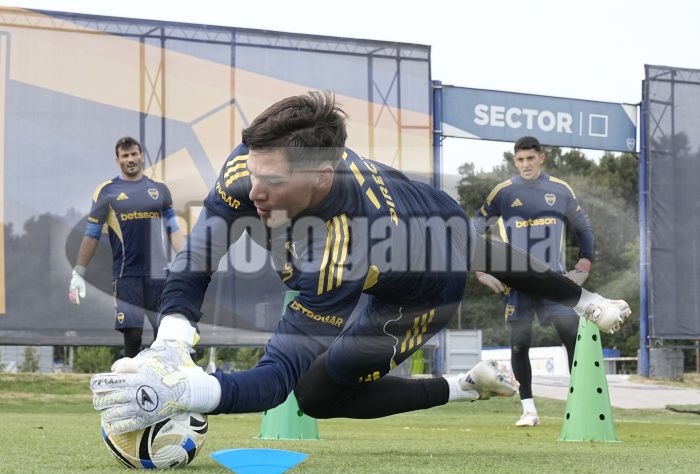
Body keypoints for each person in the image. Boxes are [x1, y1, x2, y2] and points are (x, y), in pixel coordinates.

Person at [90, 91, 630, 435]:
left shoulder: (345, 247)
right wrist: (170, 344)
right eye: (253, 172)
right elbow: (197, 257)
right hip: (424, 213)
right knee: (471, 242)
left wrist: (189, 392)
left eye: (271, 181)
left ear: (322, 176)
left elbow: (275, 378)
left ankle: (466, 385)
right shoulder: (251, 167)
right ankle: (577, 308)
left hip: (421, 290)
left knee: (316, 394)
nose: (253, 192)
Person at [473, 135, 594, 428]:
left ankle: (583, 406)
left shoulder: (560, 189)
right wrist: (481, 271)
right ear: (515, 161)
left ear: (541, 157)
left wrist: (583, 264)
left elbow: (584, 228)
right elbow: (473, 230)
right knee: (519, 344)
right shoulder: (503, 192)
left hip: (555, 281)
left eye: (530, 158)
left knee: (573, 340)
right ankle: (529, 411)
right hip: (517, 283)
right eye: (520, 159)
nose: (526, 164)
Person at [69, 136, 185, 358]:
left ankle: (160, 377)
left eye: (134, 154)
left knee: (164, 333)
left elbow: (173, 229)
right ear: (117, 160)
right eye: (125, 155)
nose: (130, 159)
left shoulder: (160, 189)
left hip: (158, 275)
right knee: (133, 334)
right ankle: (130, 380)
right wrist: (79, 271)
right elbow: (92, 234)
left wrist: (189, 261)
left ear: (141, 156)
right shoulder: (107, 191)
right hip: (126, 275)